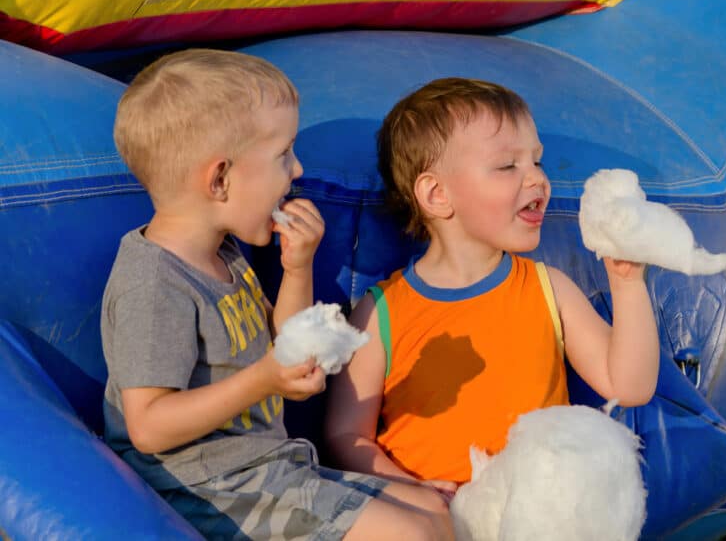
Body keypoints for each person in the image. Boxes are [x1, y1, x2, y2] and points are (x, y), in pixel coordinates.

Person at [101, 49, 453, 540]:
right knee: (408, 535)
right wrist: (263, 380)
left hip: (270, 471)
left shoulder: (225, 254)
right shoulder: (155, 281)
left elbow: (285, 342)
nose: (297, 168)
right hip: (207, 489)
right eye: (283, 154)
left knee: (431, 510)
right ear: (220, 179)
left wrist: (297, 267)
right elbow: (148, 426)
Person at [324, 77, 659, 498]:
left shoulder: (547, 289)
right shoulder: (381, 313)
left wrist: (628, 285)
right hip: (433, 517)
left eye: (538, 161)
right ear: (436, 194)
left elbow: (629, 385)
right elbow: (345, 435)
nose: (537, 179)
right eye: (508, 166)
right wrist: (412, 490)